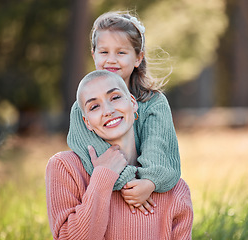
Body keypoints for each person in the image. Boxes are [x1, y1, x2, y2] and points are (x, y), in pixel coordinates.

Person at [46, 70, 193, 239]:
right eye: (94, 106)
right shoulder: (65, 167)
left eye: (115, 97)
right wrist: (103, 176)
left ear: (132, 102)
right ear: (87, 122)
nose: (108, 110)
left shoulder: (174, 189)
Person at [67, 11, 181, 214]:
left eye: (121, 53)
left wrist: (148, 183)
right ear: (94, 55)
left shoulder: (153, 102)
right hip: (106, 192)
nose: (111, 60)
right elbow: (91, 149)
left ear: (138, 58)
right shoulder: (83, 106)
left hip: (147, 191)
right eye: (104, 52)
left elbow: (159, 146)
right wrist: (129, 183)